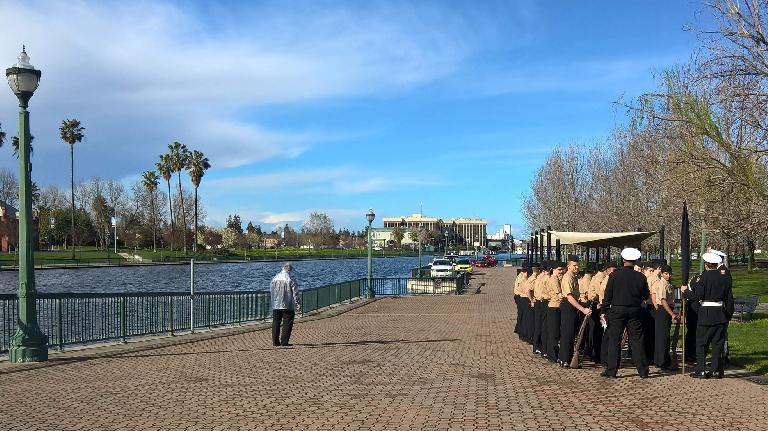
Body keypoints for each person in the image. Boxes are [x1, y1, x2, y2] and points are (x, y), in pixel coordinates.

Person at [681, 252, 734, 379]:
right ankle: (716, 370)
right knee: (717, 343)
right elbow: (729, 299)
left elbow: (697, 296)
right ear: (716, 264)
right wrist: (728, 315)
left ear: (706, 265)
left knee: (701, 342)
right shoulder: (726, 277)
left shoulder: (702, 278)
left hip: (706, 313)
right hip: (720, 313)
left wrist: (685, 292)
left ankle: (701, 370)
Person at [600, 248, 650, 379]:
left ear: (623, 260)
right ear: (635, 261)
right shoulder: (641, 276)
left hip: (616, 310)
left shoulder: (614, 275)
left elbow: (608, 295)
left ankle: (611, 370)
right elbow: (645, 294)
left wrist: (604, 310)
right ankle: (643, 370)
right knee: (637, 340)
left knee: (614, 341)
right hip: (634, 310)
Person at [558, 255, 591, 368]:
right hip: (569, 305)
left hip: (573, 305)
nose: (577, 267)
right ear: (569, 266)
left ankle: (565, 358)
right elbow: (570, 297)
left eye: (577, 265)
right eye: (574, 265)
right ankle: (565, 359)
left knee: (571, 333)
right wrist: (583, 309)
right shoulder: (568, 277)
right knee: (568, 333)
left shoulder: (573, 277)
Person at [653, 264, 679, 370]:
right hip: (663, 311)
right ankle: (661, 361)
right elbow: (663, 300)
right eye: (666, 274)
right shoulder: (662, 284)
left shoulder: (668, 284)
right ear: (662, 274)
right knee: (662, 337)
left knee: (665, 336)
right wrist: (672, 314)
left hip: (666, 310)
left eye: (670, 274)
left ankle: (662, 359)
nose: (668, 276)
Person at [270, 263, 301, 347]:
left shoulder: (275, 278)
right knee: (287, 323)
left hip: (276, 304)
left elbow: (272, 291)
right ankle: (284, 342)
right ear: (289, 270)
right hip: (288, 304)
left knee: (276, 322)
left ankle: (275, 342)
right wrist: (297, 304)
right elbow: (295, 293)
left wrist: (273, 302)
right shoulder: (290, 279)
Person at [545, 261, 565, 363]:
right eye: (559, 270)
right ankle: (553, 355)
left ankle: (552, 354)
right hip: (554, 307)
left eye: (561, 269)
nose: (561, 271)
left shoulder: (556, 278)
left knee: (554, 332)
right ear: (553, 269)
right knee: (554, 332)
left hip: (555, 306)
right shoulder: (553, 280)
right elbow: (559, 293)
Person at [531, 262, 549, 355]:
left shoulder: (538, 278)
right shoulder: (545, 278)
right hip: (542, 302)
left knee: (538, 325)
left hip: (537, 301)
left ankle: (536, 345)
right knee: (542, 326)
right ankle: (540, 346)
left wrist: (532, 298)